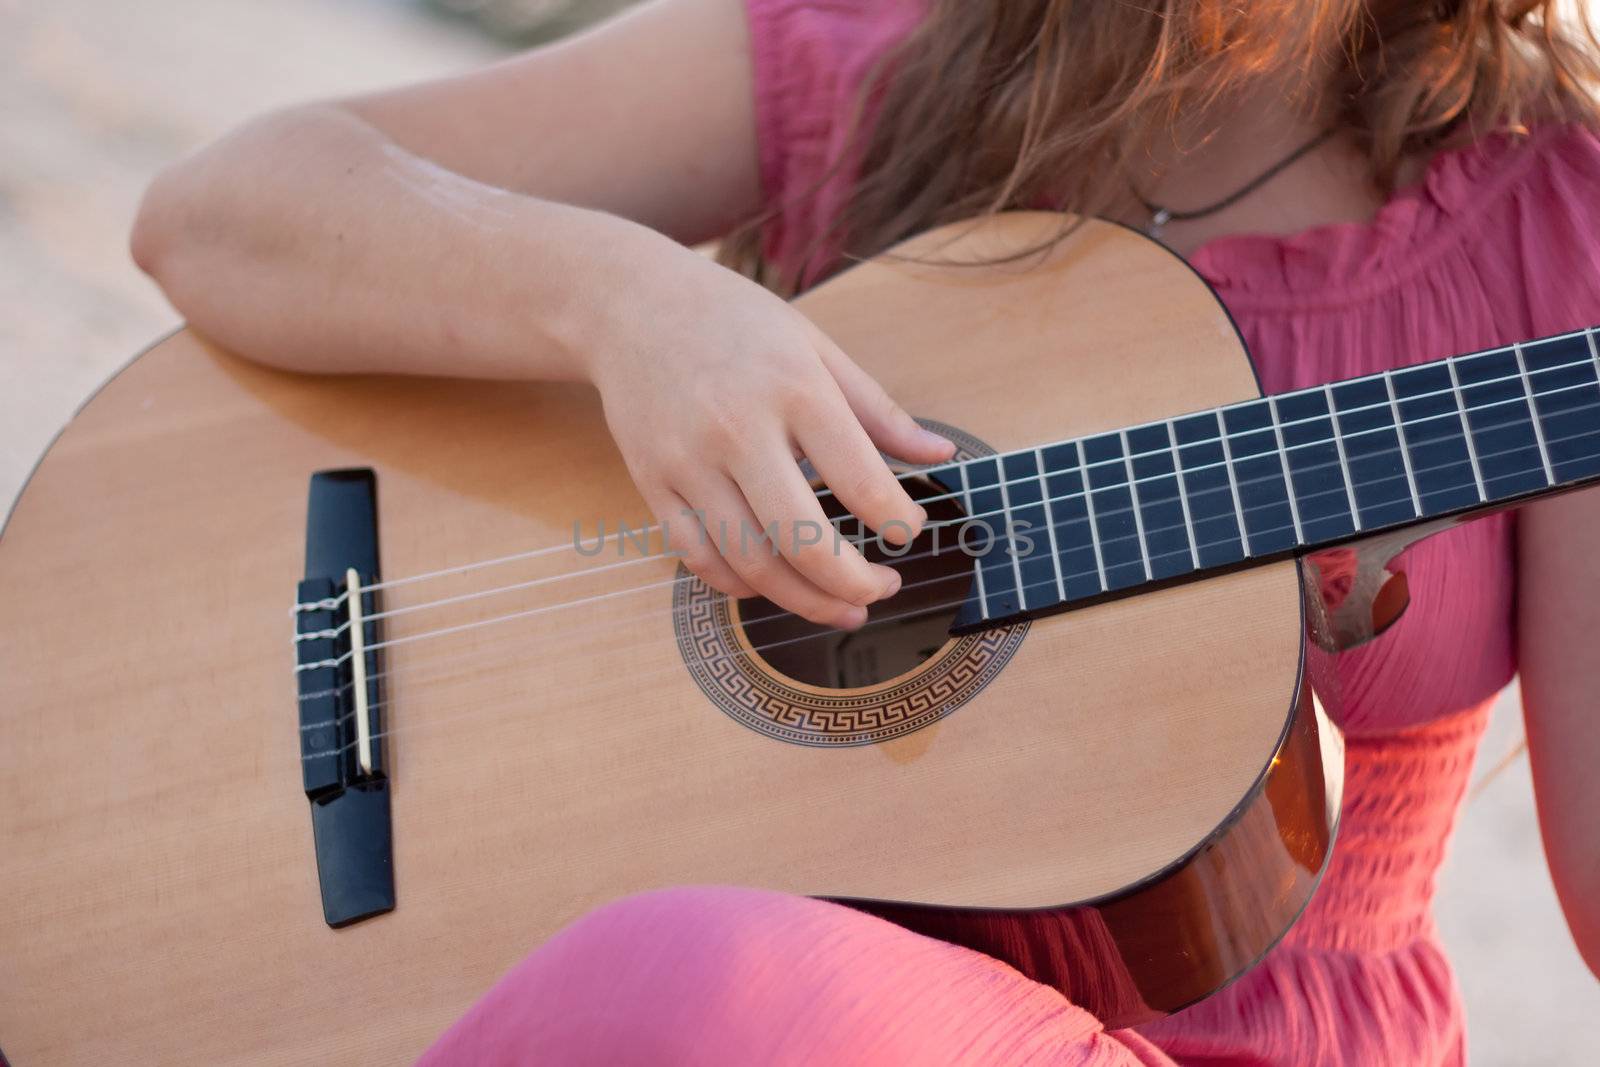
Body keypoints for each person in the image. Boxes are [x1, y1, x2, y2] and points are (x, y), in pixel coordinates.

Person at [130, 0, 1600, 1061]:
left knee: (689, 979)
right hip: (732, 976)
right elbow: (219, 213)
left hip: (1209, 1046)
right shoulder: (864, 53)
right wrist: (631, 304)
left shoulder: (1562, 226)